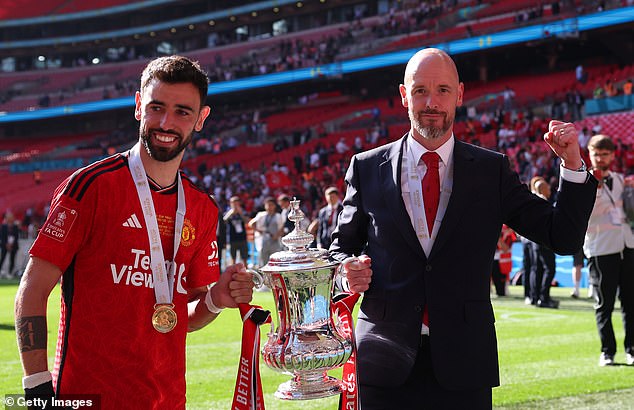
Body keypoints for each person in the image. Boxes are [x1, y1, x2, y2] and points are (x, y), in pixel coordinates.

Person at [330, 48, 597, 409]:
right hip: (382, 359)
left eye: (442, 90)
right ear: (404, 95)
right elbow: (338, 250)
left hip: (464, 363)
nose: (431, 102)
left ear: (459, 94)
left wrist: (572, 164)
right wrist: (346, 275)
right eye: (420, 90)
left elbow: (561, 236)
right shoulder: (366, 167)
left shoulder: (491, 171)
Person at [14, 56, 255, 409]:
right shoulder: (89, 187)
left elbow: (179, 318)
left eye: (182, 112)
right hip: (86, 397)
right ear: (139, 106)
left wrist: (217, 298)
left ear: (201, 119)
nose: (166, 122)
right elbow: (33, 289)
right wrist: (36, 389)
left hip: (168, 399)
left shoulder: (203, 209)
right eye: (157, 107)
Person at [583, 134, 634, 367]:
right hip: (601, 250)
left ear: (613, 155)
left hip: (628, 246)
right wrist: (596, 186)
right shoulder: (583, 182)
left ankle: (631, 349)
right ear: (589, 155)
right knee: (604, 304)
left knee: (630, 302)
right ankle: (607, 352)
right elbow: (582, 216)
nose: (601, 159)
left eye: (605, 154)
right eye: (597, 154)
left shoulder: (621, 180)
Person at [528, 179, 559, 308]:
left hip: (535, 241)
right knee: (549, 269)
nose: (550, 190)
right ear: (543, 189)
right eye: (547, 187)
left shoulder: (533, 201)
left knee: (537, 269)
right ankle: (544, 297)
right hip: (544, 241)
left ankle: (535, 296)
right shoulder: (543, 202)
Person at [248, 196, 284, 267]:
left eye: (271, 205)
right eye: (268, 204)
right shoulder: (261, 215)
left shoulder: (278, 216)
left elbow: (281, 229)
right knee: (263, 262)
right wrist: (258, 230)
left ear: (274, 206)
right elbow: (251, 224)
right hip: (263, 240)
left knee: (275, 261)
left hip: (274, 241)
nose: (269, 206)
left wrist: (276, 235)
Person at [224, 196, 250, 265]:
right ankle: (233, 272)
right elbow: (224, 221)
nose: (235, 205)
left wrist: (241, 213)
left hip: (242, 238)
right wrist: (230, 213)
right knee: (233, 258)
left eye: (236, 203)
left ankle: (245, 273)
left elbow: (247, 221)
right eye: (233, 203)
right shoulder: (228, 212)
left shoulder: (242, 211)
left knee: (244, 257)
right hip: (232, 238)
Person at [0, 212, 20, 278]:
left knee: (12, 259)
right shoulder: (3, 226)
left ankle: (10, 273)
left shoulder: (15, 226)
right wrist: (6, 244)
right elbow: (2, 237)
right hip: (4, 245)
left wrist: (11, 244)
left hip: (13, 246)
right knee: (2, 258)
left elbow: (16, 236)